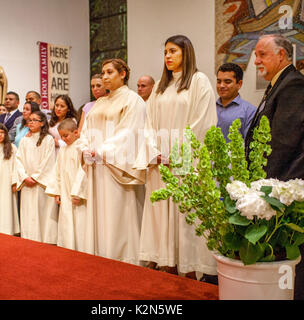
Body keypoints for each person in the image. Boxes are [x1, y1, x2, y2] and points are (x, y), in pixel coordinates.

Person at [245, 34, 304, 300]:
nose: (256, 60)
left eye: (262, 54)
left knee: (293, 249)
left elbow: (283, 141)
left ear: (282, 55)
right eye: (255, 54)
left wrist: (263, 185)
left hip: (287, 181)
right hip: (279, 181)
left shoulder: (295, 85)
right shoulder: (279, 84)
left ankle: (297, 296)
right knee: (284, 248)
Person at [134, 35, 218, 279]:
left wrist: (178, 152)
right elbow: (147, 124)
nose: (168, 56)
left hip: (185, 163)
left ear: (186, 53)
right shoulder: (161, 86)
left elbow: (202, 122)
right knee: (161, 215)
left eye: (173, 51)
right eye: (165, 52)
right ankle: (166, 263)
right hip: (160, 163)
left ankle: (190, 269)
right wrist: (155, 152)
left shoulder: (199, 82)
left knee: (184, 216)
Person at [79, 58, 146, 265]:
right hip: (96, 166)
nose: (105, 76)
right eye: (103, 72)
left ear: (123, 74)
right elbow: (86, 131)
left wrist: (100, 150)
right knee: (99, 216)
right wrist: (85, 149)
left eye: (109, 72)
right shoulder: (100, 103)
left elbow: (129, 133)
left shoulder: (133, 100)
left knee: (118, 215)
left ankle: (122, 258)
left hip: (116, 167)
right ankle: (99, 255)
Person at [47, 118, 91, 252]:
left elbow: (83, 171)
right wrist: (57, 192)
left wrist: (78, 192)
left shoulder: (80, 148)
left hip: (77, 192)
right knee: (67, 218)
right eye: (61, 137)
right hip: (65, 191)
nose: (64, 139)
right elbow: (57, 171)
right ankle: (68, 246)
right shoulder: (63, 149)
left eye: (66, 135)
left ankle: (82, 248)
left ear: (76, 132)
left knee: (80, 220)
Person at [15, 110, 58, 244]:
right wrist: (24, 177)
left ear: (42, 123)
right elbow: (18, 160)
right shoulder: (24, 140)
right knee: (28, 211)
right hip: (27, 182)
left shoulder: (48, 139)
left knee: (42, 211)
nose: (31, 122)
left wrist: (35, 177)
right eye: (30, 120)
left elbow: (48, 161)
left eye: (35, 120)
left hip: (40, 183)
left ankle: (45, 239)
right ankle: (29, 237)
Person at [216, 63, 256, 142]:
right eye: (219, 81)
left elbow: (249, 145)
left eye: (227, 82)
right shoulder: (210, 108)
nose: (221, 86)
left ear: (239, 84)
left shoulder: (250, 111)